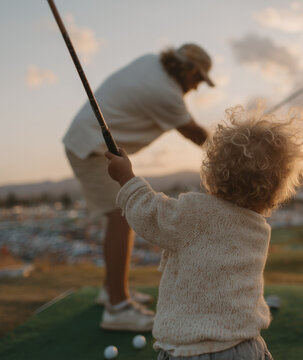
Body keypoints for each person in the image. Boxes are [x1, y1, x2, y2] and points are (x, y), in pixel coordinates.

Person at [104, 106, 303, 359]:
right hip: (245, 347)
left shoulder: (196, 214)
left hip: (190, 350)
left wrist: (126, 178)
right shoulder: (258, 229)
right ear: (277, 190)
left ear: (212, 171)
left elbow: (151, 214)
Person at [63, 43, 214, 331]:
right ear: (190, 70)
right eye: (198, 81)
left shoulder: (151, 62)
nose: (196, 89)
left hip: (86, 142)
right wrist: (236, 145)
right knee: (121, 218)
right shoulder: (168, 94)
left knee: (119, 217)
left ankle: (112, 290)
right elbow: (197, 135)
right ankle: (118, 308)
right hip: (91, 148)